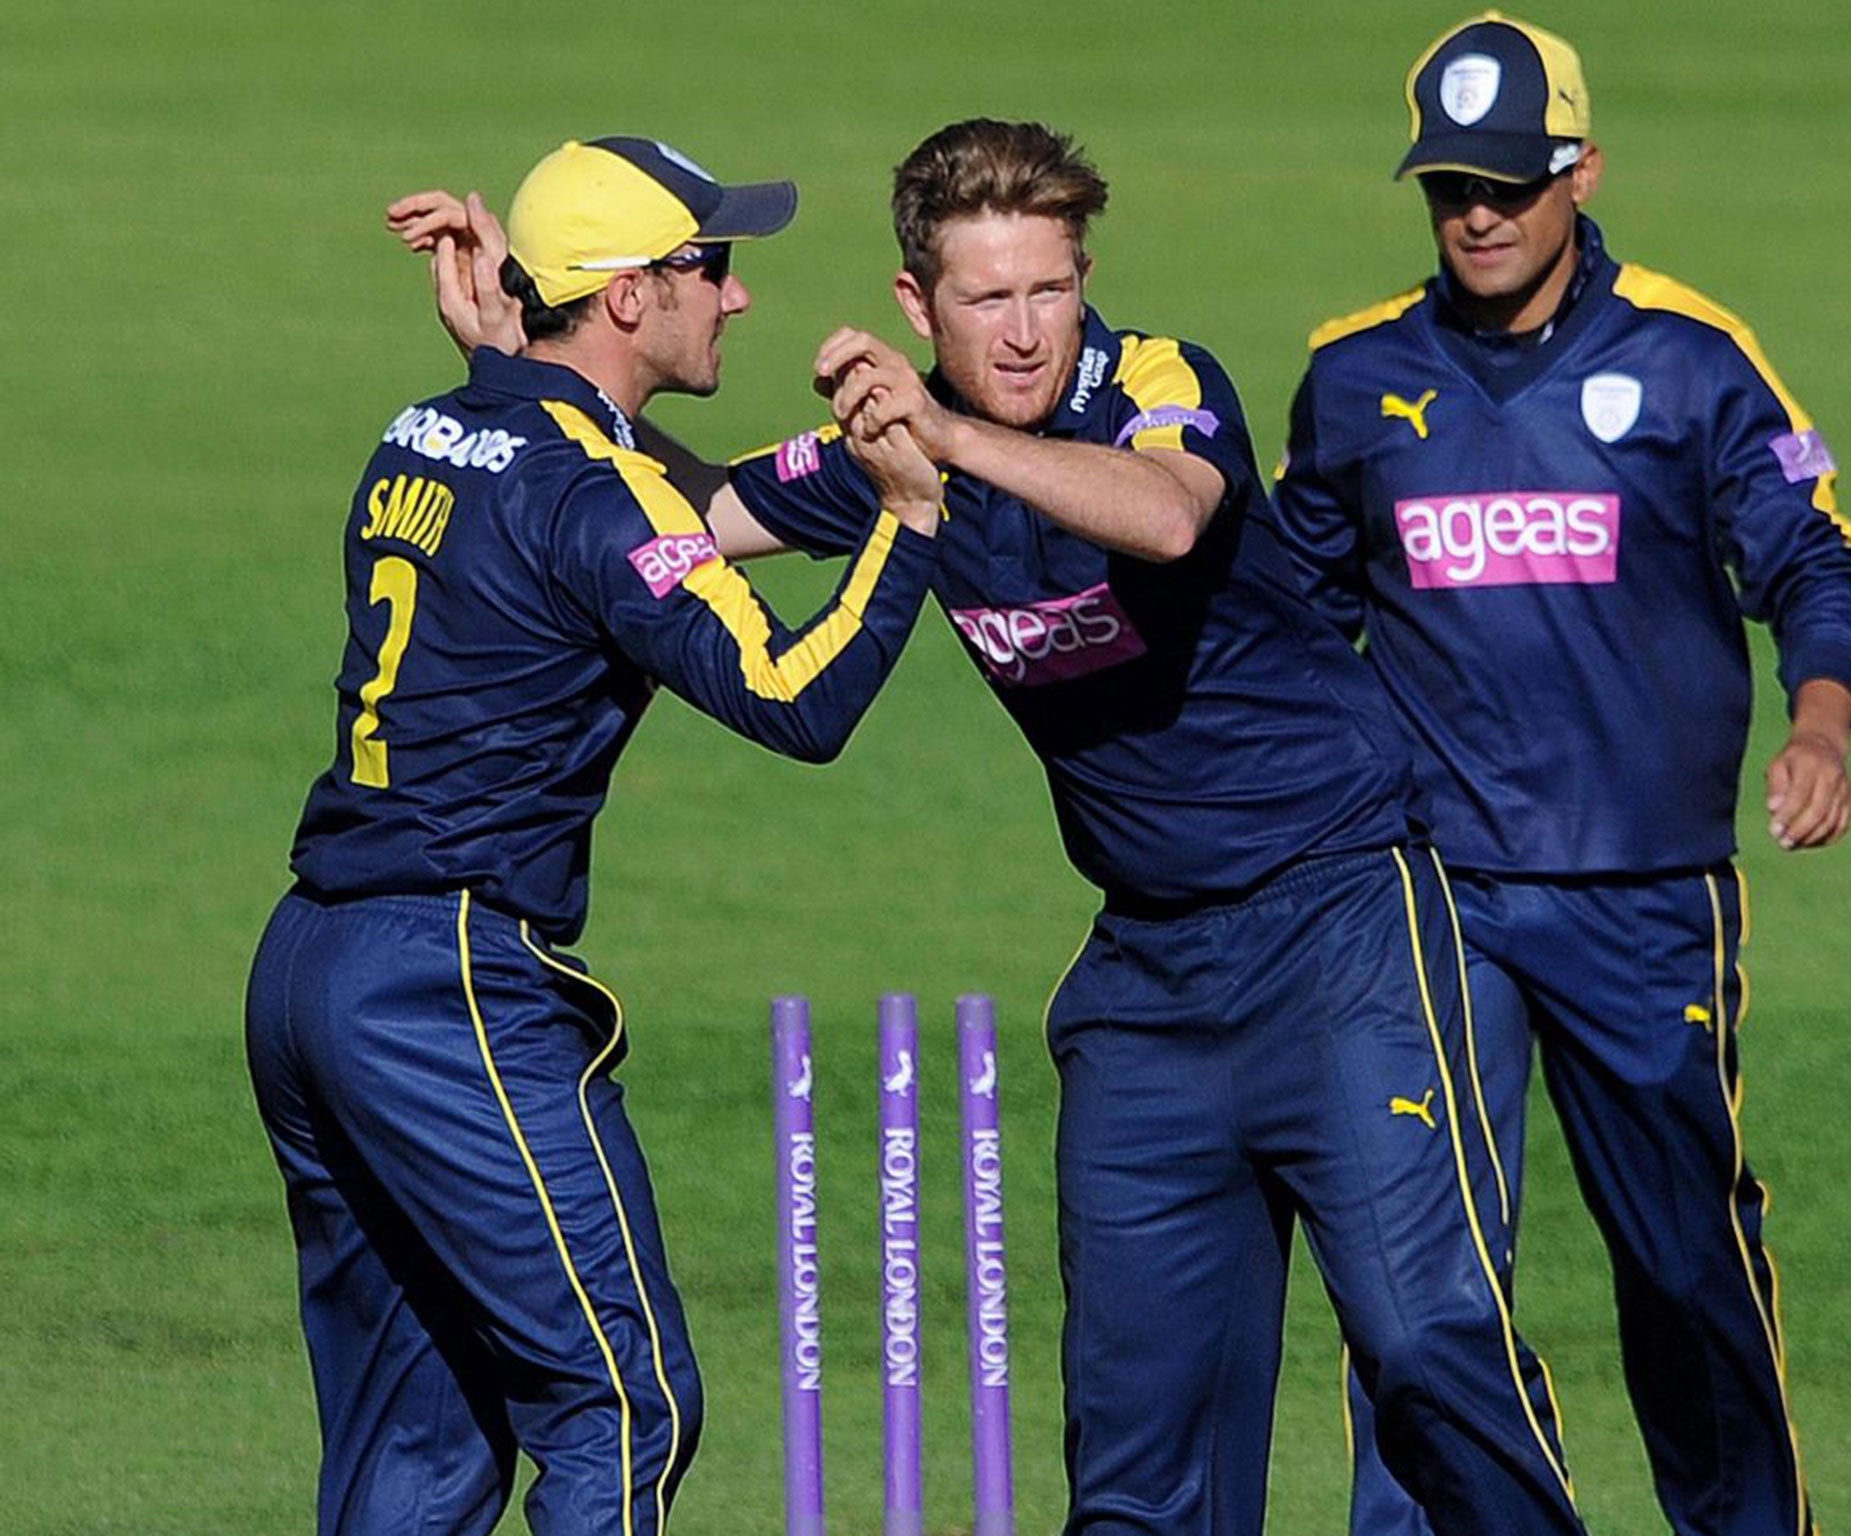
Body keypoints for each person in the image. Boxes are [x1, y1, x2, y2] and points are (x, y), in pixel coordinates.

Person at [397, 117, 1585, 1536]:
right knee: (1137, 1471)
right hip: (1145, 990)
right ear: (918, 306)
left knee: (1426, 1356)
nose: (1025, 332)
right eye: (985, 299)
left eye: (1049, 288)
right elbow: (687, 513)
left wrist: (941, 439)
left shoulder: (1153, 380)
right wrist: (520, 367)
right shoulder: (889, 455)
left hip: (1342, 936)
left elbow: (1164, 516)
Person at [246, 135, 943, 1536]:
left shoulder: (426, 431)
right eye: (711, 269)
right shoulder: (588, 492)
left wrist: (512, 338)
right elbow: (788, 698)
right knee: (623, 1405)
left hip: (309, 970)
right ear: (626, 297)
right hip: (445, 990)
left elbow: (647, 498)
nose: (737, 300)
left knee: (421, 1438)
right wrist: (913, 519)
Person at [1269, 16, 1851, 1536]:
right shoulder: (1354, 376)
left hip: (1646, 893)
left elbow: (1815, 559)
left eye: (1509, 183)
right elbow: (1284, 619)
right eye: (1447, 188)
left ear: (1580, 170)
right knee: (1417, 1284)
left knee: (1683, 1262)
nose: (1477, 214)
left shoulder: (1691, 357)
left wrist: (1821, 730)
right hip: (1429, 901)